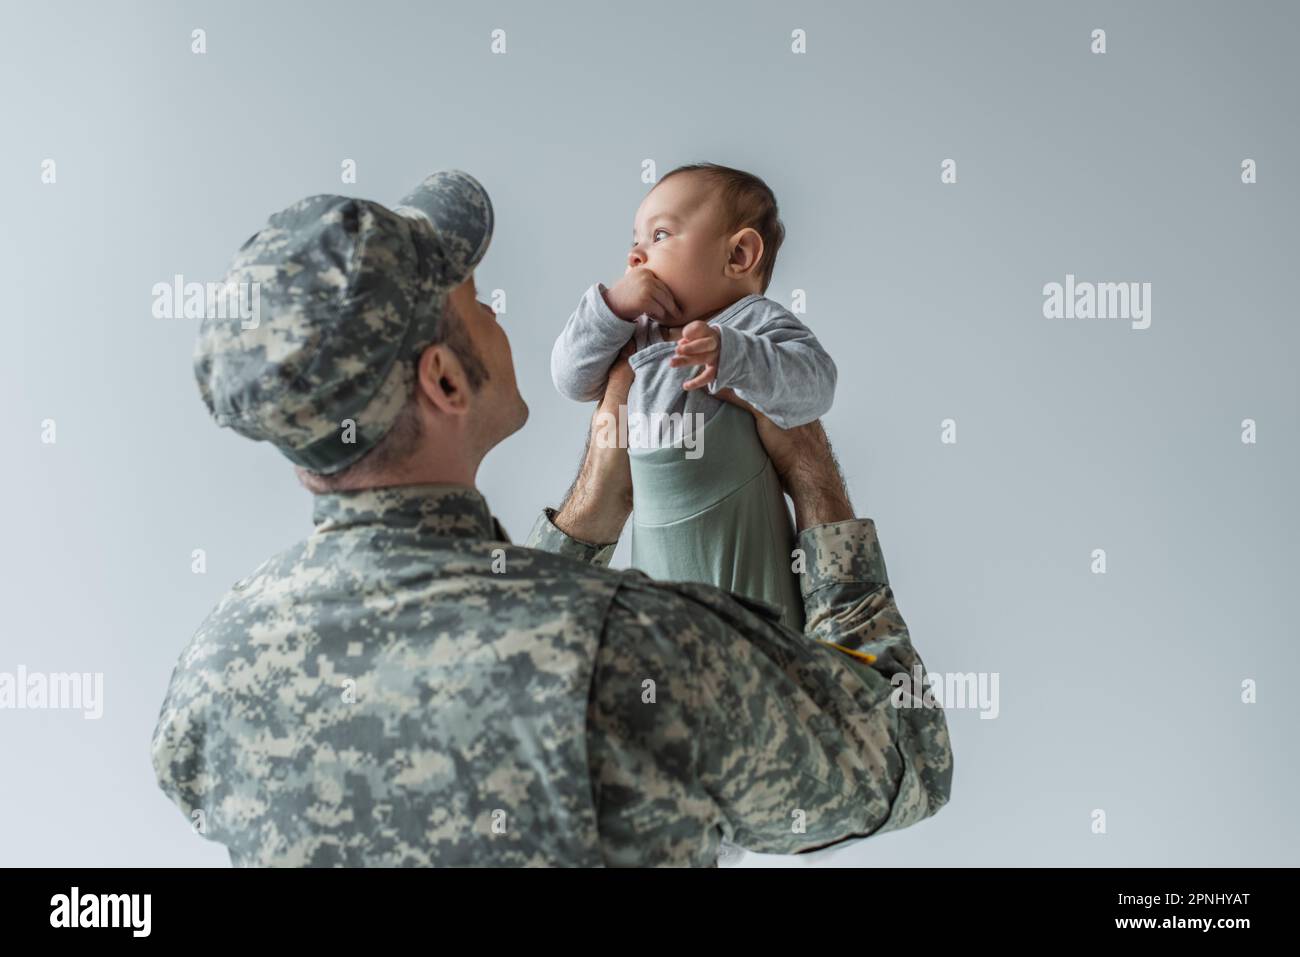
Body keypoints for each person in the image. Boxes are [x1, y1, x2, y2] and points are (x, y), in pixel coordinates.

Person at [151, 169, 953, 866]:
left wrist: (586, 515)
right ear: (445, 382)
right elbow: (906, 756)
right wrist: (812, 475)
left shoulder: (213, 673)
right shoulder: (644, 653)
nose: (496, 306)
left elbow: (499, 637)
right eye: (472, 298)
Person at [551, 163, 835, 633]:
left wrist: (737, 356)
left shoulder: (753, 323)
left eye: (660, 235)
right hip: (658, 568)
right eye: (634, 242)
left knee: (758, 652)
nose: (636, 256)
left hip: (747, 569)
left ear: (739, 255)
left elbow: (816, 387)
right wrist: (612, 309)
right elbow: (570, 379)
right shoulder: (636, 333)